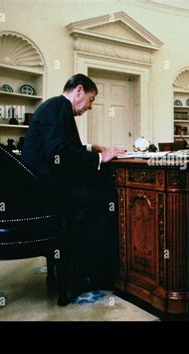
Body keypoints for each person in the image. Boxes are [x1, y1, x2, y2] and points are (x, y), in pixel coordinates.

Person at [21, 74, 125, 303]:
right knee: (107, 197)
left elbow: (59, 147)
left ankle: (83, 272)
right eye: (91, 99)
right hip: (46, 192)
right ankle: (93, 275)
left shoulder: (53, 106)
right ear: (79, 90)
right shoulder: (60, 106)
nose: (90, 106)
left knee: (97, 193)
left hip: (40, 187)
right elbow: (60, 155)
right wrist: (100, 156)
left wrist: (90, 147)